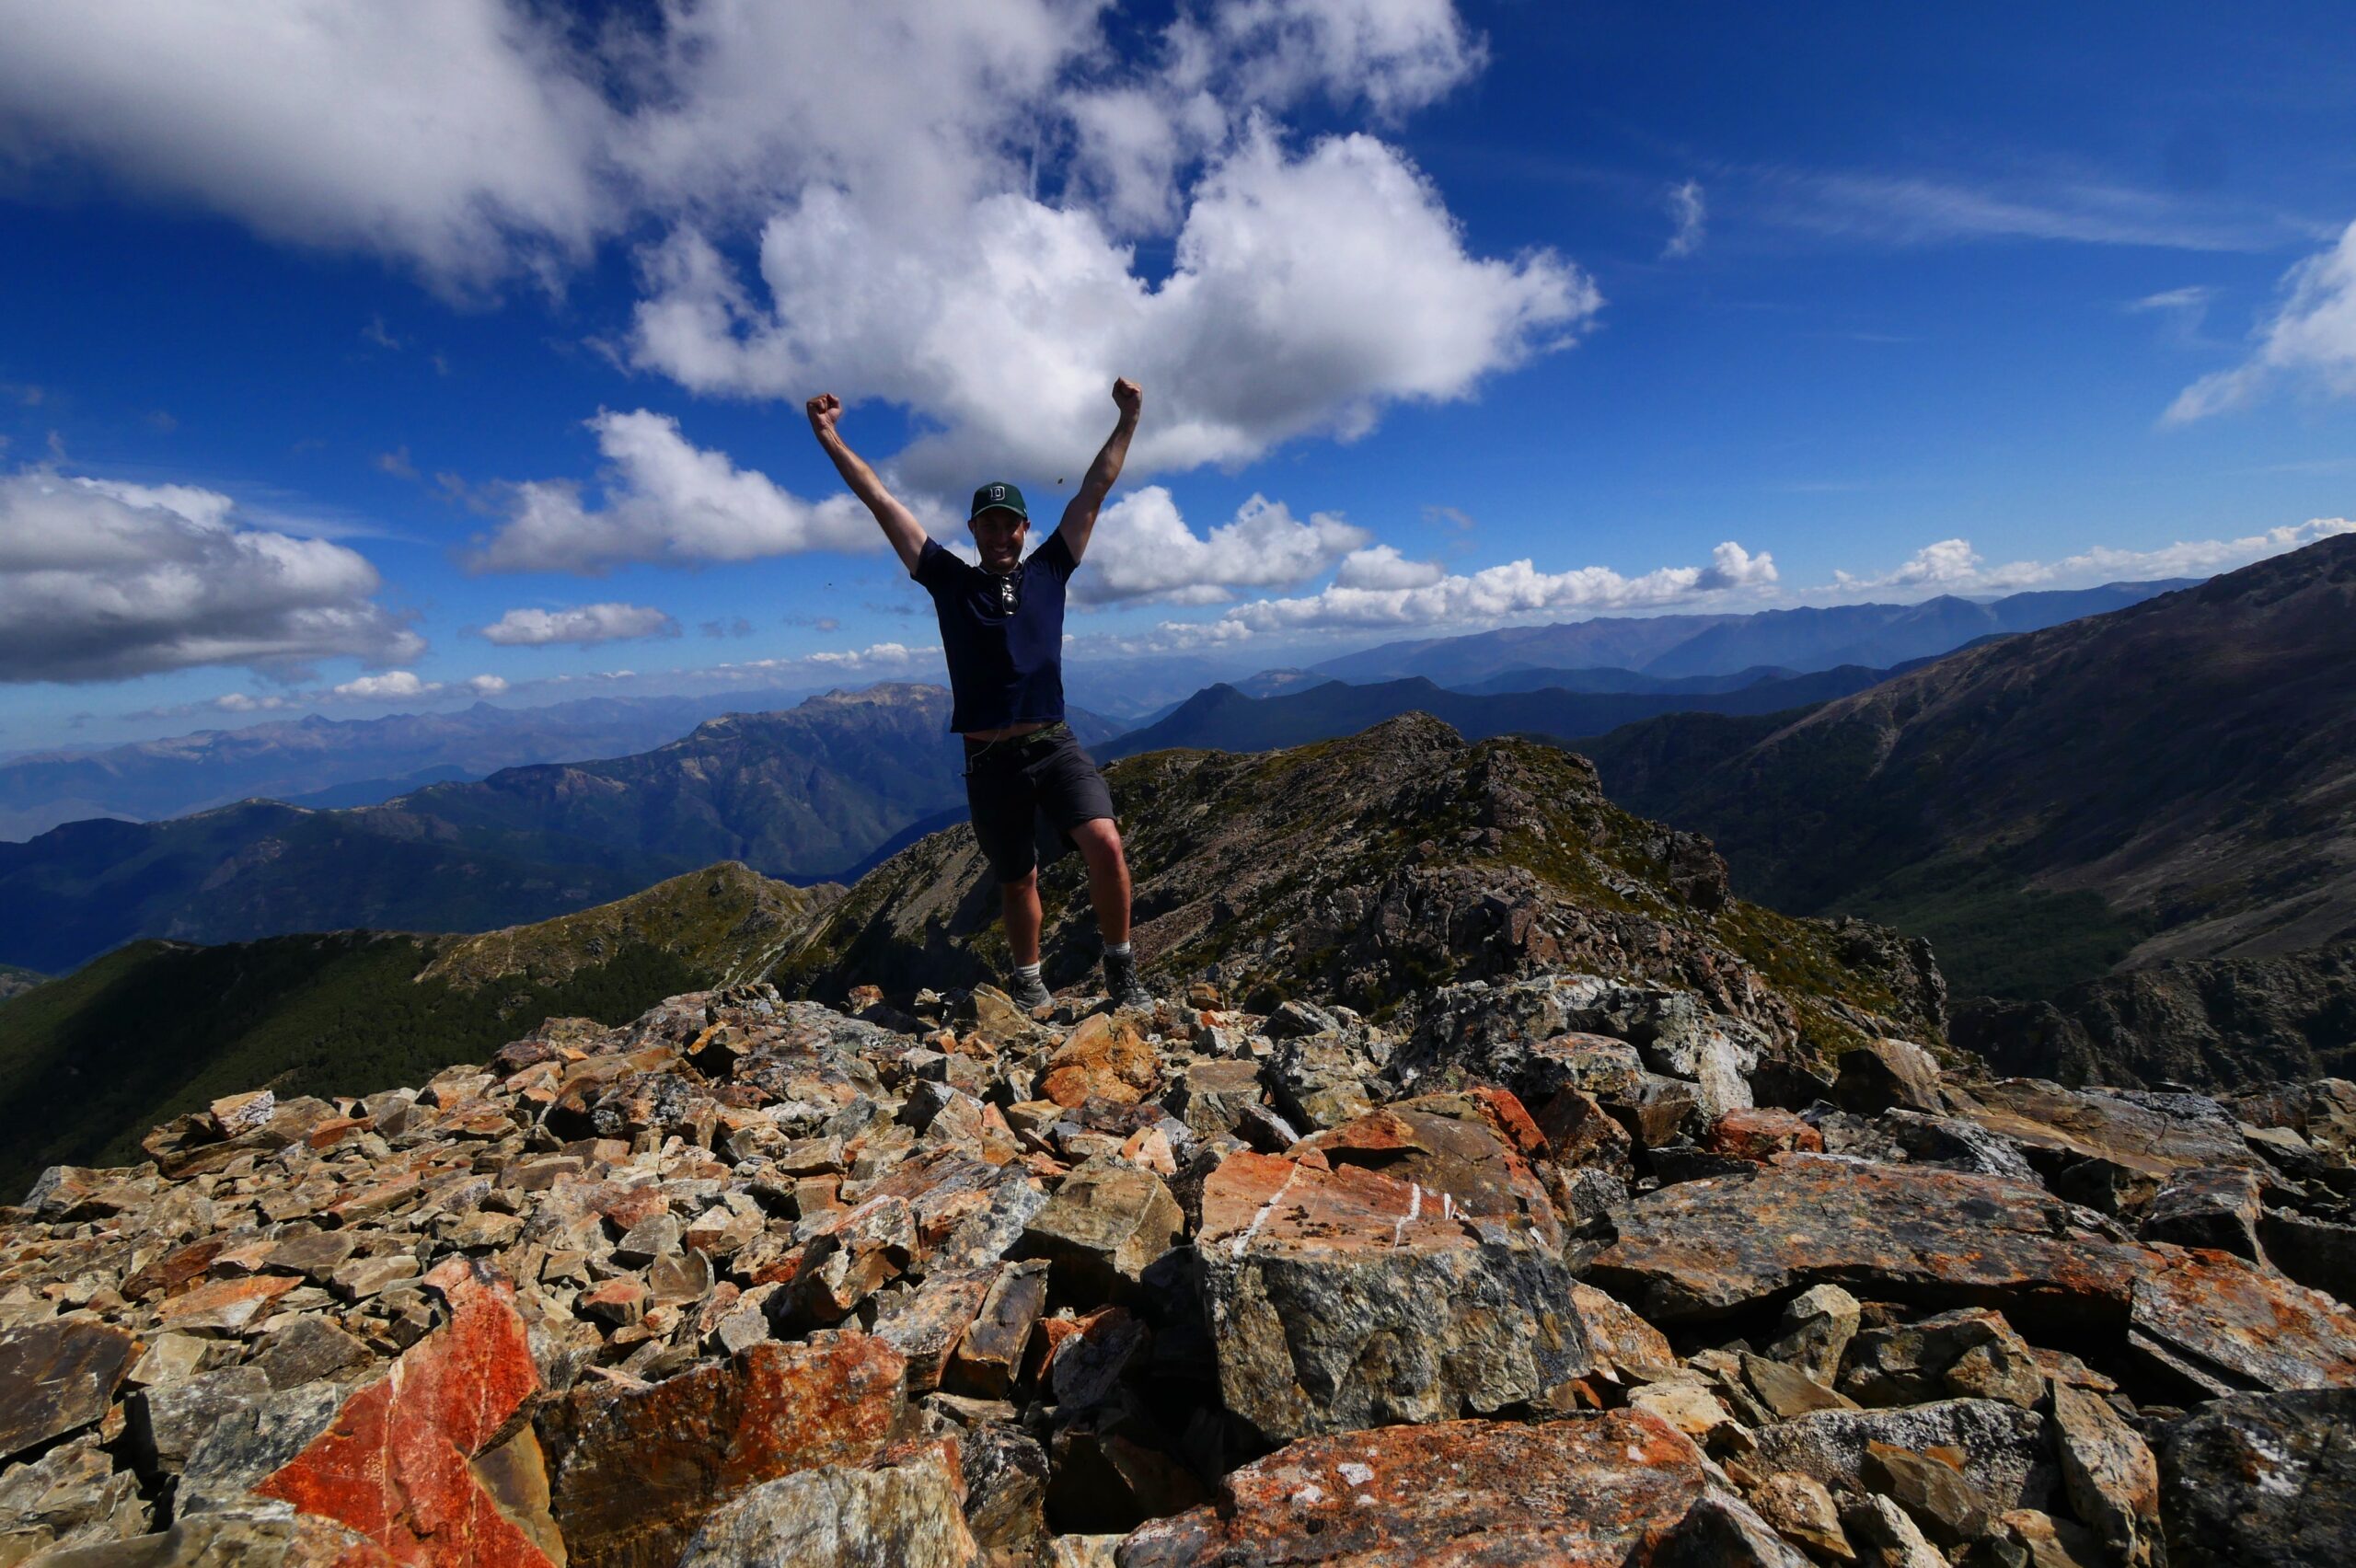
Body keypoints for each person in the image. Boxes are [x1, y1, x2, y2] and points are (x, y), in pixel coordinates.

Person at [807, 378, 1153, 1010]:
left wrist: (1129, 418)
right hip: (990, 760)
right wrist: (830, 437)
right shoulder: (947, 580)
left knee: (1105, 843)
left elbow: (1094, 489)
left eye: (1009, 525)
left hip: (1055, 742)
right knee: (1017, 878)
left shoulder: (1053, 568)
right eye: (987, 526)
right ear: (973, 529)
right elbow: (880, 500)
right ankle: (1028, 984)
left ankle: (1120, 968)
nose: (999, 536)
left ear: (1025, 528)